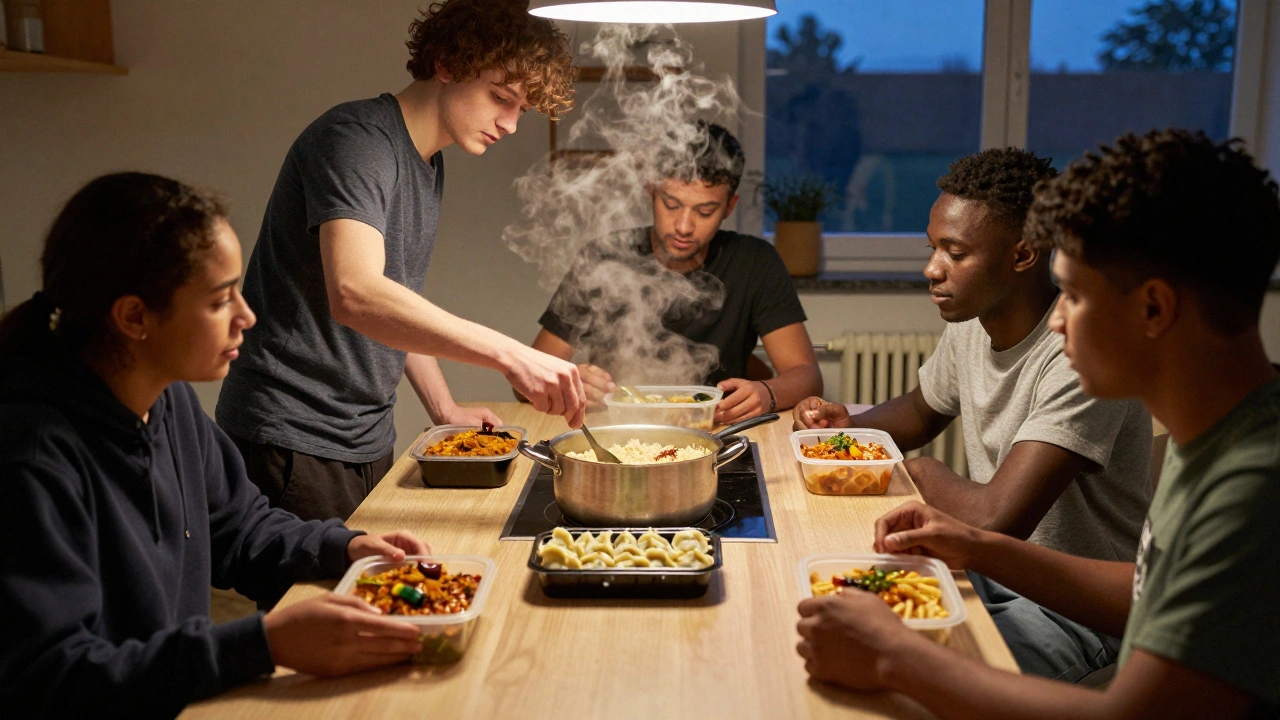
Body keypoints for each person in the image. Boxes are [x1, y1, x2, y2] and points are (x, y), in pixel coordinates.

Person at [796, 129, 1280, 718]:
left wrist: (895, 657)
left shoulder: (1253, 488)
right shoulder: (1211, 434)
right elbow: (1149, 593)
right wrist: (974, 545)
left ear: (1153, 308)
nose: (1056, 322)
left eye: (1074, 295)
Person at [0, 173, 438, 718]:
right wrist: (263, 644)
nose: (246, 317)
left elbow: (239, 527)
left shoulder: (169, 401)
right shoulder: (34, 458)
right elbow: (55, 679)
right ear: (134, 317)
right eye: (219, 300)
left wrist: (343, 548)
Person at [215, 0, 585, 523]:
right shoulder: (356, 141)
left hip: (364, 432)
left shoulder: (427, 161)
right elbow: (357, 293)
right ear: (448, 64)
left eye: (520, 109)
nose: (510, 125)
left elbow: (394, 298)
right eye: (501, 98)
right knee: (332, 601)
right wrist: (511, 355)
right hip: (294, 433)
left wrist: (445, 410)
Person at [793, 147, 1152, 681]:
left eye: (955, 253)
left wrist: (921, 472)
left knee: (902, 679)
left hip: (1070, 611)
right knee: (831, 618)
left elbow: (994, 520)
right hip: (988, 570)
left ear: (1024, 255)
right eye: (933, 247)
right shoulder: (973, 320)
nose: (931, 268)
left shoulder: (1078, 349)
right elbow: (920, 410)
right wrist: (850, 426)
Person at [528, 122, 822, 424]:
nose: (683, 226)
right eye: (671, 204)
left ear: (729, 207)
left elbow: (807, 375)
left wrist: (766, 392)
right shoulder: (603, 256)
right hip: (613, 429)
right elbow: (526, 381)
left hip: (717, 432)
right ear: (651, 191)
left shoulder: (754, 262)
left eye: (705, 211)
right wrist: (572, 382)